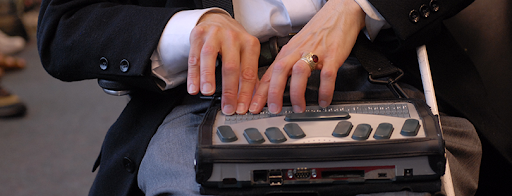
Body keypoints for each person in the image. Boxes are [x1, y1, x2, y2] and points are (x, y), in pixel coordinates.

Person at [37, 0, 508, 195]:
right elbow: (66, 25)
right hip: (198, 94)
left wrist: (360, 8)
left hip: (385, 69)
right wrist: (192, 28)